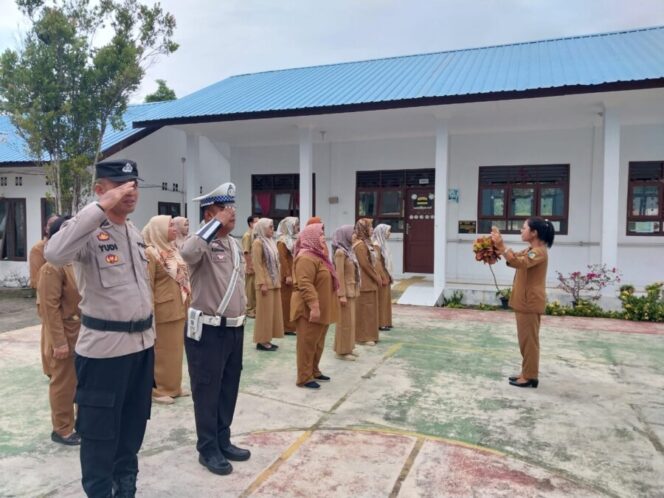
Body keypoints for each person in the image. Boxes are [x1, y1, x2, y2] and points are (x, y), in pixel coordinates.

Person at [44, 159, 154, 498]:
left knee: (132, 429)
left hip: (141, 349)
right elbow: (55, 252)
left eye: (133, 183)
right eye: (120, 184)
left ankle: (126, 488)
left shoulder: (133, 232)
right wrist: (98, 209)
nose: (129, 190)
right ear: (100, 189)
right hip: (105, 353)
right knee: (99, 436)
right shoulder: (89, 231)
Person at [180, 183, 250, 476]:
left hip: (234, 329)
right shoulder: (201, 243)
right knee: (207, 391)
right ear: (210, 213)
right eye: (224, 208)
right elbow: (187, 252)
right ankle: (207, 447)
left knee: (227, 389)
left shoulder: (234, 243)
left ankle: (223, 439)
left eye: (231, 207)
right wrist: (212, 226)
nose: (231, 213)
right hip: (208, 331)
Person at [491, 217, 555, 388]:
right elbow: (513, 258)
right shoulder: (531, 249)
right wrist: (497, 248)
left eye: (524, 228)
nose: (521, 230)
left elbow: (520, 263)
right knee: (525, 341)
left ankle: (530, 376)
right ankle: (526, 372)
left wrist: (502, 247)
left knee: (529, 342)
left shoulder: (539, 252)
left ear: (534, 233)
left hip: (529, 302)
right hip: (525, 302)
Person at [38, 215, 81, 446]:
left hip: (85, 332)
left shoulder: (77, 262)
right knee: (64, 382)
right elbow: (48, 308)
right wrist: (59, 342)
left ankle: (81, 423)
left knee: (83, 381)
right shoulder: (52, 267)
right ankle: (62, 428)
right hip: (65, 332)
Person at [142, 215, 191, 405]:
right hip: (163, 311)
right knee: (162, 352)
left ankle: (174, 386)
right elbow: (148, 288)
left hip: (178, 306)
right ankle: (158, 389)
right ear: (159, 229)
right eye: (170, 225)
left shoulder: (172, 249)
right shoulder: (150, 253)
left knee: (176, 351)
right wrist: (150, 315)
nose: (174, 229)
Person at [291, 223, 339, 388]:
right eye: (320, 235)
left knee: (317, 342)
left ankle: (314, 370)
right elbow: (305, 284)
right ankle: (304, 377)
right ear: (311, 237)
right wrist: (314, 306)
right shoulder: (305, 258)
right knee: (307, 343)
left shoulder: (318, 256)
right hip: (308, 309)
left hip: (321, 307)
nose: (323, 239)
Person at [30, 213, 59, 378]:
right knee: (49, 333)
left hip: (65, 298)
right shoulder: (38, 249)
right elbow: (35, 279)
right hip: (46, 296)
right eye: (51, 225)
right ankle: (49, 369)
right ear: (46, 229)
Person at [251, 218, 284, 351]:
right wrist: (262, 283)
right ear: (262, 228)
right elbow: (257, 264)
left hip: (274, 283)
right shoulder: (258, 243)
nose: (272, 229)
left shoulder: (270, 241)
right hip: (265, 284)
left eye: (272, 227)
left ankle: (268, 338)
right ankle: (262, 341)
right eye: (270, 227)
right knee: (264, 314)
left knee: (272, 313)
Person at [332, 225, 360, 361]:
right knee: (344, 322)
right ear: (345, 234)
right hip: (345, 292)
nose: (355, 235)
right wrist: (341, 294)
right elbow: (339, 275)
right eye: (353, 232)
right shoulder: (340, 253)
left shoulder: (349, 250)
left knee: (350, 321)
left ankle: (349, 347)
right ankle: (342, 351)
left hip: (351, 290)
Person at [353, 218, 382, 346]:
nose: (372, 230)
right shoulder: (359, 245)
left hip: (369, 281)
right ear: (363, 229)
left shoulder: (367, 243)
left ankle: (370, 335)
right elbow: (364, 264)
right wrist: (376, 276)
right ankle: (363, 337)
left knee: (370, 310)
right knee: (365, 309)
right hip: (364, 281)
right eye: (370, 227)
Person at [276, 217, 299, 335]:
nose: (297, 227)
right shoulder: (282, 241)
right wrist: (287, 275)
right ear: (288, 226)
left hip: (293, 274)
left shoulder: (292, 240)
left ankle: (291, 325)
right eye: (295, 225)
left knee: (292, 301)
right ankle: (286, 327)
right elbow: (282, 259)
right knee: (286, 302)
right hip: (286, 276)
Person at [372, 224, 394, 331]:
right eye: (388, 231)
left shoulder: (383, 243)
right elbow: (377, 262)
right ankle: (380, 323)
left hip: (386, 273)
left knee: (386, 299)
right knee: (382, 299)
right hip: (381, 274)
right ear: (382, 232)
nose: (389, 233)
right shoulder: (376, 245)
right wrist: (382, 276)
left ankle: (387, 321)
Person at [242, 215, 259, 318]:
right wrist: (249, 266)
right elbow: (246, 252)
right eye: (256, 222)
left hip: (256, 266)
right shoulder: (247, 235)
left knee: (255, 288)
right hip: (250, 266)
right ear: (251, 224)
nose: (258, 224)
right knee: (250, 289)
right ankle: (249, 310)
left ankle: (255, 309)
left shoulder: (255, 235)